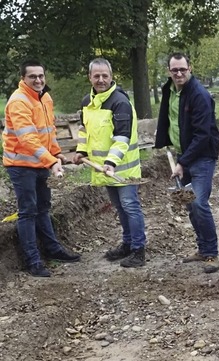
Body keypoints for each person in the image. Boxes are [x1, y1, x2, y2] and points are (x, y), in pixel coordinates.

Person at [2, 59, 80, 277]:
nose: (38, 80)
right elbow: (27, 138)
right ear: (23, 79)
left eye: (40, 76)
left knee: (44, 207)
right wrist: (51, 161)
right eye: (32, 76)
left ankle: (53, 250)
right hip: (21, 165)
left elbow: (48, 131)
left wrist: (55, 153)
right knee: (27, 211)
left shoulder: (45, 97)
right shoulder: (19, 101)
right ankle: (33, 261)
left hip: (40, 162)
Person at [72, 58, 147, 268]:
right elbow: (84, 130)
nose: (101, 79)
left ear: (112, 76)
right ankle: (128, 243)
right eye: (96, 76)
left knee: (130, 207)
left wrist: (111, 162)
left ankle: (138, 251)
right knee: (120, 208)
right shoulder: (87, 102)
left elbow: (122, 137)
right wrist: (81, 151)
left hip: (123, 169)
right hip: (105, 169)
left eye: (105, 75)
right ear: (90, 77)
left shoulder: (119, 102)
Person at [155, 52, 219, 274]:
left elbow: (202, 135)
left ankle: (211, 253)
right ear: (169, 72)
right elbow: (169, 118)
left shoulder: (199, 95)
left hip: (201, 156)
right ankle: (202, 249)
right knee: (190, 203)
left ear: (190, 68)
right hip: (183, 154)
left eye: (182, 69)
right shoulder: (170, 91)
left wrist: (182, 162)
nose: (179, 73)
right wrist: (165, 143)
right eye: (174, 70)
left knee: (200, 203)